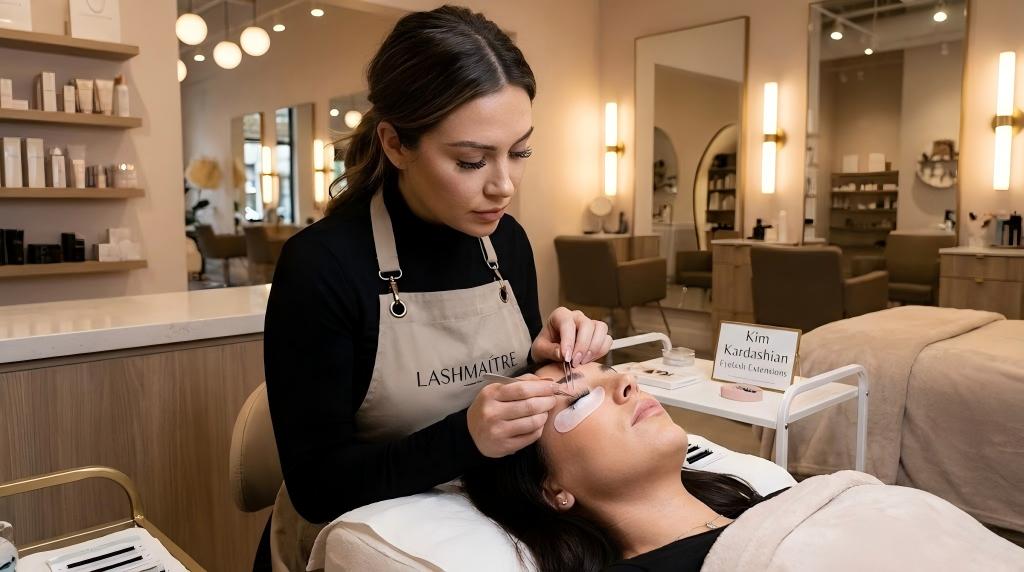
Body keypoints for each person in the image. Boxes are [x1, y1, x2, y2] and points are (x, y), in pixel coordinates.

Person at [263, 6, 612, 569]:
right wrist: (465, 438)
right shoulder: (322, 265)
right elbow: (316, 487)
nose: (504, 186)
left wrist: (541, 358)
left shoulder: (507, 244)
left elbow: (507, 393)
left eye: (520, 151)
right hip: (362, 538)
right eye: (472, 161)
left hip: (486, 521)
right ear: (396, 144)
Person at [463, 361, 1024, 572]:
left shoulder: (777, 507)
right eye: (577, 397)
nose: (626, 382)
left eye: (612, 372)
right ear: (551, 490)